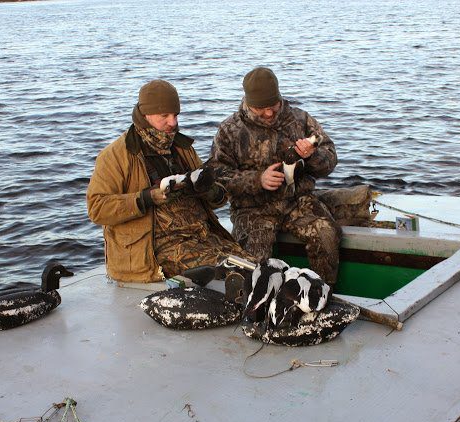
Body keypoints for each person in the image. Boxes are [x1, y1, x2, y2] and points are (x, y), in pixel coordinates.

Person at [86, 79, 253, 283]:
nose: (172, 122)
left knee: (255, 265)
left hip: (200, 236)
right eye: (164, 116)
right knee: (232, 271)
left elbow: (218, 199)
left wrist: (207, 190)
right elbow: (96, 208)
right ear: (145, 114)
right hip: (156, 249)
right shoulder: (115, 156)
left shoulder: (182, 147)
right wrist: (146, 198)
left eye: (175, 115)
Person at [208, 67, 341, 285]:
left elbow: (329, 162)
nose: (269, 113)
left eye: (274, 106)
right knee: (253, 261)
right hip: (252, 209)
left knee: (326, 234)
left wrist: (312, 156)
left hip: (297, 202)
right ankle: (254, 306)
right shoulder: (229, 130)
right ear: (248, 103)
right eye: (261, 108)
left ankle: (322, 293)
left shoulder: (301, 120)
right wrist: (257, 180)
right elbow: (217, 176)